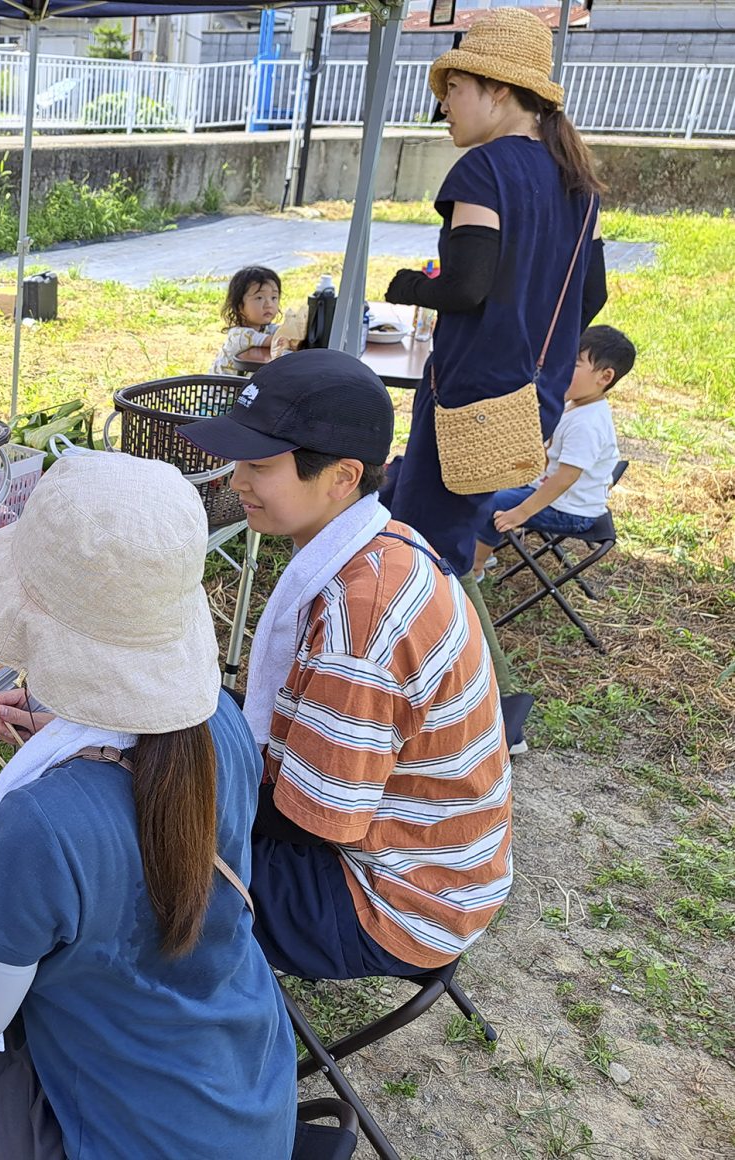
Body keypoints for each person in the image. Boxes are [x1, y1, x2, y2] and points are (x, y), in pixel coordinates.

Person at [0, 453, 296, 1160]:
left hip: (120, 1142)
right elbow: (135, 812)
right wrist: (68, 731)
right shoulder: (214, 722)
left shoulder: (48, 823)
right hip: (236, 1102)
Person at [182, 350, 512, 980]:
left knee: (133, 840)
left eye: (259, 465)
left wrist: (165, 779)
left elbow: (316, 824)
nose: (236, 482)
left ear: (341, 477)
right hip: (447, 869)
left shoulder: (357, 622)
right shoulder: (384, 544)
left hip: (390, 901)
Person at [381, 6, 608, 749]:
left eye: (455, 88)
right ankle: (475, 706)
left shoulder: (482, 168)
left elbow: (467, 284)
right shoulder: (579, 181)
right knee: (447, 547)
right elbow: (591, 297)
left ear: (499, 91)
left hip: (469, 398)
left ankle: (446, 717)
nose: (443, 104)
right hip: (530, 399)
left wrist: (409, 283)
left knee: (423, 558)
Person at [471, 325, 633, 577]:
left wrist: (521, 513)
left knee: (492, 504)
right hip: (551, 492)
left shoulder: (588, 423)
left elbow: (566, 477)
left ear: (604, 377)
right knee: (486, 485)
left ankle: (475, 569)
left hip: (572, 511)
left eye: (575, 363)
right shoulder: (575, 403)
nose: (563, 367)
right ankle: (484, 549)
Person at [211, 265, 282, 375]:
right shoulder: (239, 335)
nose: (269, 304)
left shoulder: (267, 328)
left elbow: (281, 331)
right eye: (259, 298)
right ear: (240, 307)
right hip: (222, 390)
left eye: (274, 297)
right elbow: (276, 341)